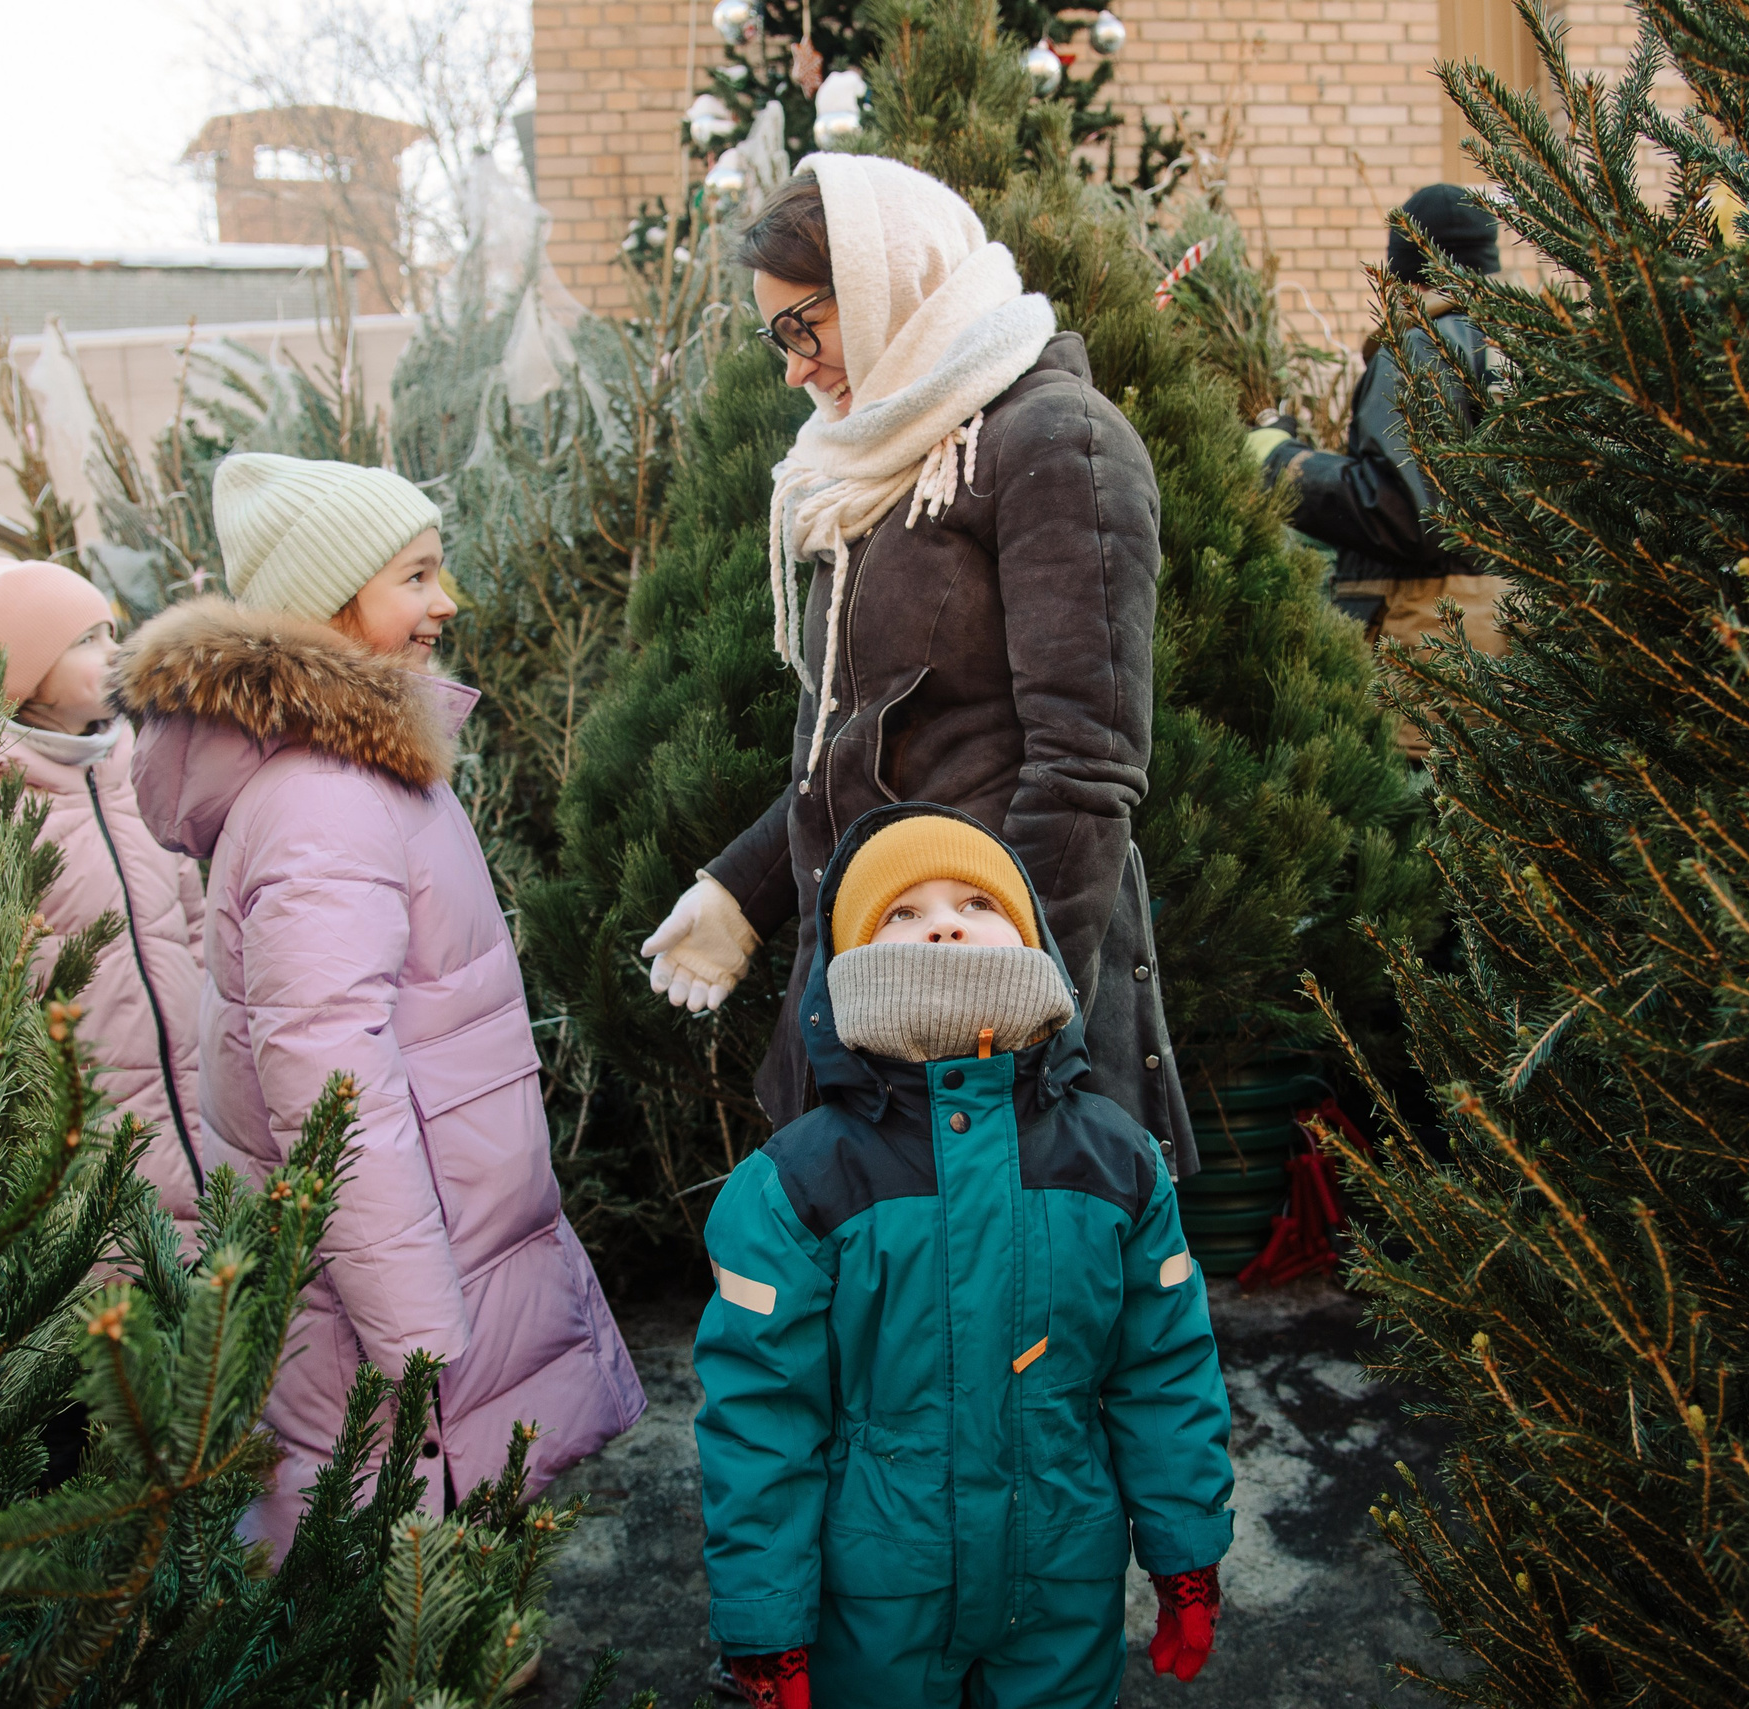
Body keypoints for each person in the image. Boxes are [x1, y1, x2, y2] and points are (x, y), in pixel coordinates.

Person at [111, 453, 645, 1557]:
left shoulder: (362, 771)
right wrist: (415, 1335)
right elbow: (328, 1080)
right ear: (330, 598)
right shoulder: (326, 802)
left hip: (446, 1257)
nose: (444, 601)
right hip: (402, 1317)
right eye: (415, 574)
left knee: (439, 1587)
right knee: (398, 1577)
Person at [640, 156, 1197, 1176]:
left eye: (803, 326)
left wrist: (1009, 1017)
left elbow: (1085, 767)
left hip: (991, 1033)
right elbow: (856, 748)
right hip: (866, 998)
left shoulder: (1053, 440)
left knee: (1009, 1327)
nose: (794, 368)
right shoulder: (878, 467)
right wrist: (741, 891)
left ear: (887, 278)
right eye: (778, 339)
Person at [695, 803, 1237, 1709]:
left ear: (1032, 943)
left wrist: (1186, 1549)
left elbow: (1165, 1370)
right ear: (848, 965)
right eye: (901, 913)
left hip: (1063, 1579)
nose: (944, 921)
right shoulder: (798, 1185)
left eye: (977, 902)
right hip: (875, 1597)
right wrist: (766, 1619)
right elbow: (762, 1415)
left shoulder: (1116, 1162)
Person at [0, 558, 208, 1239]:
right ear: (19, 670)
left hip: (195, 1094)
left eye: (112, 632)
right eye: (85, 640)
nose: (115, 653)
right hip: (89, 1126)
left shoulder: (140, 773)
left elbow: (192, 920)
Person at [1249, 183, 1512, 729]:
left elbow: (1399, 506)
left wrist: (1281, 460)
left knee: (1419, 811)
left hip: (1429, 661)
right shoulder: (1518, 346)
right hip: (1510, 650)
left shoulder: (1423, 345)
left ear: (1402, 268)